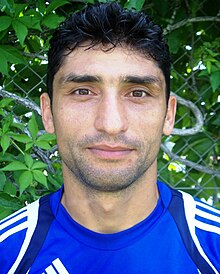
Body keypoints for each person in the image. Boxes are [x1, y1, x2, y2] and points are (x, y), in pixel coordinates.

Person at [1, 2, 219, 273]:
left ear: (168, 115)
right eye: (83, 91)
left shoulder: (213, 248)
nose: (111, 124)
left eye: (138, 93)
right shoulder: (8, 254)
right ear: (47, 113)